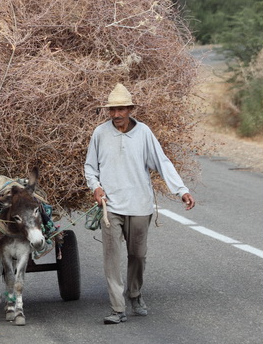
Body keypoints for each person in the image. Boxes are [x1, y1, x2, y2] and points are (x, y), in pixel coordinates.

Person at [83, 83, 195, 325]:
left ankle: (135, 294)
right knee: (111, 258)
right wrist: (96, 188)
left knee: (138, 255)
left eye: (121, 109)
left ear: (131, 109)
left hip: (140, 205)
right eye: (112, 110)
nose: (116, 115)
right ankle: (117, 308)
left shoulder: (144, 133)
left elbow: (162, 162)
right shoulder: (100, 133)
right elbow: (90, 167)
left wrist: (181, 190)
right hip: (110, 207)